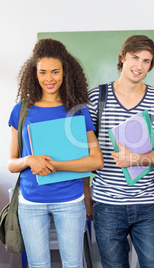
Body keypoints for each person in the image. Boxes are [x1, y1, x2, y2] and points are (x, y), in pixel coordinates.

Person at [7, 38, 103, 267]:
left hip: (70, 201)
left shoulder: (78, 110)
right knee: (38, 265)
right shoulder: (21, 110)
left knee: (73, 264)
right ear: (34, 73)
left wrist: (55, 165)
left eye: (55, 72)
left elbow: (96, 161)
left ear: (65, 72)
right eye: (42, 72)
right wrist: (29, 160)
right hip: (31, 202)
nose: (49, 78)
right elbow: (11, 163)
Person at [87, 35, 154, 268]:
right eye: (135, 57)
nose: (139, 66)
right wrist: (86, 194)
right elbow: (85, 153)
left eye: (146, 61)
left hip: (146, 203)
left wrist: (137, 159)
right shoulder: (96, 98)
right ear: (122, 57)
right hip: (106, 204)